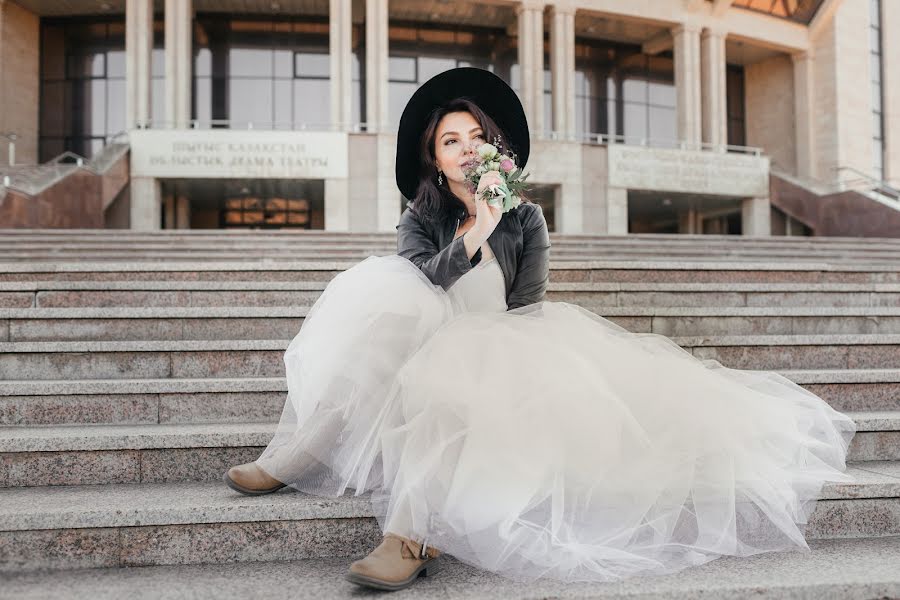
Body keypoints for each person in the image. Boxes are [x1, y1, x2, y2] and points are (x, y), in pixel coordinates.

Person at [223, 68, 857, 591]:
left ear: (495, 148)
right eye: (450, 140)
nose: (466, 147)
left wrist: (500, 216)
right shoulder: (421, 217)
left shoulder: (526, 221)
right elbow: (427, 281)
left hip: (501, 348)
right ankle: (299, 456)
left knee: (449, 372)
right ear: (435, 159)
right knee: (387, 310)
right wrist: (475, 224)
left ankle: (409, 537)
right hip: (421, 334)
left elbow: (526, 308)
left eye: (476, 136)